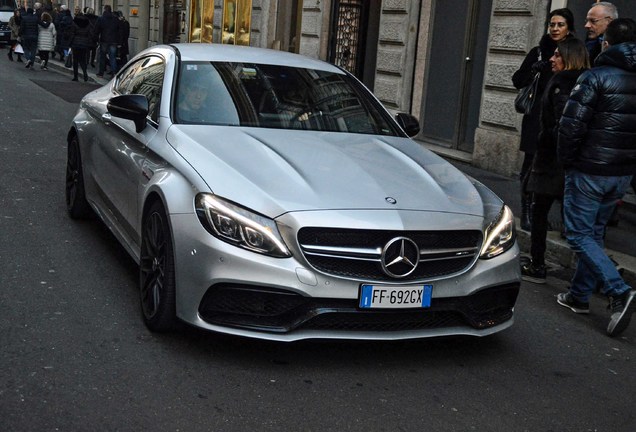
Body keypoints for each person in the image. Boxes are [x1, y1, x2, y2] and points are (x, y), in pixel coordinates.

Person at [557, 18, 636, 337]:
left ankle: (618, 288)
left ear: (607, 43)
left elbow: (571, 126)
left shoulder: (595, 77)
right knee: (595, 232)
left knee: (578, 234)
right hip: (621, 173)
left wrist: (568, 162)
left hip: (590, 168)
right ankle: (578, 296)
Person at [521, 38, 590, 284]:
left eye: (558, 55)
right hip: (572, 162)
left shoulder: (561, 83)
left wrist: (547, 140)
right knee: (578, 221)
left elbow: (563, 124)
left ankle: (538, 264)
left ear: (569, 58)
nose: (552, 58)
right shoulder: (587, 82)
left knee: (540, 212)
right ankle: (589, 276)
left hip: (553, 161)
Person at [512, 8, 575, 232]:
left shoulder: (575, 53)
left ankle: (554, 216)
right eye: (552, 24)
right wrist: (533, 70)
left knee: (559, 167)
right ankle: (527, 212)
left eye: (560, 25)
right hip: (536, 117)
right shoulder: (538, 52)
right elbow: (517, 81)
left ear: (569, 28)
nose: (555, 28)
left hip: (563, 117)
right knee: (531, 165)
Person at [93, 5, 121, 77]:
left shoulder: (101, 19)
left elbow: (96, 30)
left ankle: (101, 73)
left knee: (102, 57)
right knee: (113, 57)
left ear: (104, 10)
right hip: (113, 41)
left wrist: (96, 39)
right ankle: (114, 72)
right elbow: (119, 30)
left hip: (104, 40)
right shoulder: (115, 19)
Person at [69, 9, 92, 81]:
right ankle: (85, 73)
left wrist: (70, 43)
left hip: (75, 43)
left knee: (75, 60)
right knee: (83, 60)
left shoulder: (74, 22)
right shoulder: (87, 23)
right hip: (84, 43)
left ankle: (76, 76)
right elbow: (90, 33)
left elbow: (72, 33)